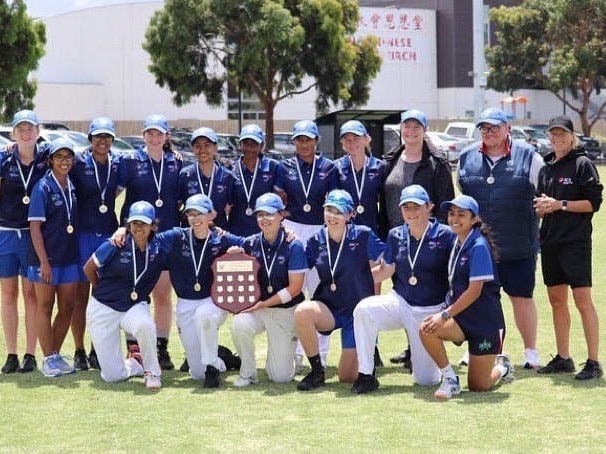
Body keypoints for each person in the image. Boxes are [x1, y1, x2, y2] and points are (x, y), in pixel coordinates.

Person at [457, 107, 544, 369]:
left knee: (521, 297)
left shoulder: (530, 156)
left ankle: (530, 352)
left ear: (507, 128)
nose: (489, 132)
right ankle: (478, 351)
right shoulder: (465, 157)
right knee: (479, 299)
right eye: (484, 128)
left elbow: (544, 194)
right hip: (479, 247)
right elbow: (463, 200)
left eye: (495, 127)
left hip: (519, 242)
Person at [352, 185, 456, 394]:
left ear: (429, 208)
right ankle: (366, 374)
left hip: (430, 310)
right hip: (400, 302)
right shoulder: (395, 234)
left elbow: (457, 274)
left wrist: (448, 311)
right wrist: (355, 278)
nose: (411, 211)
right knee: (364, 310)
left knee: (425, 380)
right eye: (406, 206)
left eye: (416, 206)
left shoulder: (446, 235)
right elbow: (386, 270)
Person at [419, 195, 514, 400]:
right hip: (462, 319)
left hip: (485, 324)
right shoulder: (456, 241)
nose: (454, 218)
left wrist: (444, 315)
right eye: (451, 214)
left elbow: (474, 291)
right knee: (427, 329)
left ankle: (502, 367)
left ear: (474, 219)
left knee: (479, 386)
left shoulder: (478, 245)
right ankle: (450, 380)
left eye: (461, 214)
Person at [380, 109, 454, 368]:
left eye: (416, 127)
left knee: (425, 294)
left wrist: (440, 241)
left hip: (427, 240)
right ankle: (413, 345)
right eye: (406, 127)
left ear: (425, 130)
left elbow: (445, 205)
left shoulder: (437, 163)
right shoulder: (390, 160)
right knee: (402, 291)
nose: (410, 132)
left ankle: (425, 347)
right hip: (398, 240)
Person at [533, 115, 603, 380]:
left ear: (572, 137)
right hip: (550, 242)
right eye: (553, 134)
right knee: (556, 301)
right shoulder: (546, 168)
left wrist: (559, 204)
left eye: (562, 134)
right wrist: (541, 208)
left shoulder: (583, 164)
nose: (557, 138)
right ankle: (564, 358)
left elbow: (593, 203)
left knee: (582, 301)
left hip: (575, 243)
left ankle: (594, 362)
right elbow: (541, 205)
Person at [294, 189, 385, 391]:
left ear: (350, 215)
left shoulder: (363, 235)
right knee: (303, 312)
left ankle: (366, 364)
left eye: (339, 212)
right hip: (329, 308)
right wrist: (287, 240)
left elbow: (390, 261)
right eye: (329, 210)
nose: (332, 216)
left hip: (357, 313)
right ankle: (317, 372)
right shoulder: (315, 239)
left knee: (346, 377)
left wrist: (370, 279)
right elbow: (297, 268)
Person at [118, 114, 182, 370]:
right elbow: (112, 192)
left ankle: (161, 347)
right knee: (135, 295)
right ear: (143, 135)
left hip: (165, 237)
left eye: (160, 133)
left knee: (163, 295)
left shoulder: (175, 163)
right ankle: (134, 350)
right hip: (137, 237)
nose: (155, 138)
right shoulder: (130, 161)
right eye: (150, 133)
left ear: (167, 137)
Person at [274, 120, 338, 371]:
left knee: (319, 290)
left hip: (320, 229)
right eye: (299, 139)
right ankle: (298, 352)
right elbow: (280, 199)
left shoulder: (329, 167)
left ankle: (321, 353)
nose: (303, 144)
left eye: (308, 139)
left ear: (316, 141)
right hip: (293, 228)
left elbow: (332, 202)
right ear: (294, 142)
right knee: (294, 290)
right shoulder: (285, 167)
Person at [83, 201, 165, 390]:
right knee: (112, 376)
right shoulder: (115, 243)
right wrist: (100, 289)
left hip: (133, 306)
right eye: (134, 223)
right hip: (103, 307)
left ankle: (152, 372)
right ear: (128, 224)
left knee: (145, 325)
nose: (138, 228)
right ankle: (136, 361)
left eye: (144, 223)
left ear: (153, 226)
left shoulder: (159, 247)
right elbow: (89, 268)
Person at [230, 193, 307, 386]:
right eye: (260, 214)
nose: (264, 219)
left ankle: (291, 357)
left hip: (285, 310)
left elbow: (295, 288)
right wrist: (235, 256)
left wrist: (263, 303)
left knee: (280, 377)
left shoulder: (294, 245)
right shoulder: (250, 243)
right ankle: (248, 372)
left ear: (281, 215)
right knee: (240, 323)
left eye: (270, 214)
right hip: (260, 309)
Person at [69, 117, 122, 370]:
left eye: (107, 137)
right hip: (83, 235)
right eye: (98, 136)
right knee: (81, 295)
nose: (103, 141)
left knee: (102, 294)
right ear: (89, 139)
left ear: (112, 140)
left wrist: (171, 150)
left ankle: (96, 349)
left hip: (109, 236)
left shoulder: (118, 163)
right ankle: (79, 350)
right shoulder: (78, 161)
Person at [0, 110, 50, 374]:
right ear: (13, 133)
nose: (26, 132)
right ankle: (11, 354)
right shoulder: (4, 158)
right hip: (6, 233)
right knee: (8, 295)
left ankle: (30, 353)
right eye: (20, 129)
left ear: (38, 130)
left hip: (32, 236)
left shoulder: (47, 156)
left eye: (30, 128)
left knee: (31, 295)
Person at [28, 138, 80, 377]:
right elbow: (35, 228)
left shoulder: (72, 184)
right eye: (59, 157)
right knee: (45, 307)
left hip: (68, 256)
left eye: (68, 157)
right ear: (50, 160)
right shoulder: (42, 187)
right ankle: (47, 359)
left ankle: (56, 355)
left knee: (68, 306)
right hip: (45, 258)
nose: (64, 161)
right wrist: (43, 262)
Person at [227, 124, 279, 236]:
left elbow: (282, 200)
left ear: (262, 145)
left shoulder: (274, 167)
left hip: (265, 232)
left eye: (254, 144)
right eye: (246, 143)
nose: (249, 148)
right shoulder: (230, 169)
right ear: (240, 144)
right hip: (236, 232)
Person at [179, 127, 234, 230]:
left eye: (207, 145)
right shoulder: (185, 175)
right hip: (191, 235)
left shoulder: (227, 177)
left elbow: (233, 209)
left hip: (218, 236)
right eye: (197, 146)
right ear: (193, 148)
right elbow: (179, 206)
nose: (202, 150)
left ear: (216, 147)